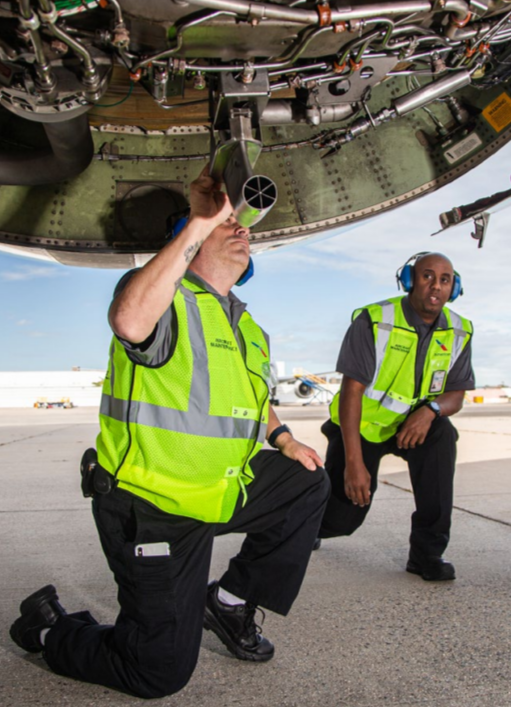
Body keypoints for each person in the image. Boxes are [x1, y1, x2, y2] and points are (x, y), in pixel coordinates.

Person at [10, 166, 330, 699]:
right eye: (227, 225)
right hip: (153, 508)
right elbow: (130, 321)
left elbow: (252, 405)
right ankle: (49, 629)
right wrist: (200, 223)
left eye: (242, 226)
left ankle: (226, 603)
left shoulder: (247, 327)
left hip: (216, 492)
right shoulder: (167, 300)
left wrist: (284, 440)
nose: (242, 229)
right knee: (158, 673)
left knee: (308, 481)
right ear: (191, 241)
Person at [318, 252, 475, 581]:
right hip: (361, 426)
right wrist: (354, 463)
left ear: (454, 288)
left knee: (442, 435)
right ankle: (307, 525)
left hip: (412, 426)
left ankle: (427, 553)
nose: (436, 286)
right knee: (343, 518)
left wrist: (431, 411)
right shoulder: (374, 320)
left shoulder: (459, 331)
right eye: (427, 276)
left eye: (445, 280)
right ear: (408, 280)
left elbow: (456, 395)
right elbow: (352, 393)